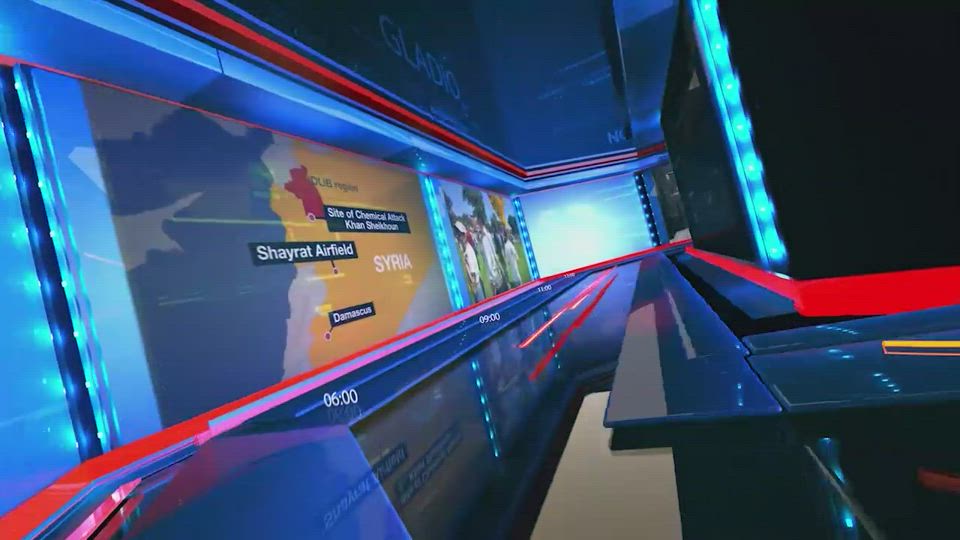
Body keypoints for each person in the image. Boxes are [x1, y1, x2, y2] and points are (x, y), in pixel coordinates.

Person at [455, 221, 482, 301]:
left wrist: (474, 286)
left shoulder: (468, 250)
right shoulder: (464, 250)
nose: (459, 237)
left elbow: (473, 273)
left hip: (476, 284)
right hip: (474, 284)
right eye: (457, 235)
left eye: (460, 235)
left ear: (464, 235)